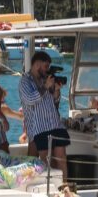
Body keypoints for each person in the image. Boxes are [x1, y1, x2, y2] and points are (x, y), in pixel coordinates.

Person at [19, 51, 70, 180]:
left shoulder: (46, 79)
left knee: (61, 158)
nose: (47, 70)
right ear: (37, 65)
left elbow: (54, 103)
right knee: (45, 161)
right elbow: (30, 99)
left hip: (55, 123)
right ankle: (49, 187)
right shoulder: (25, 81)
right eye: (46, 66)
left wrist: (56, 91)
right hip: (39, 127)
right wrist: (45, 87)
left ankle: (65, 186)